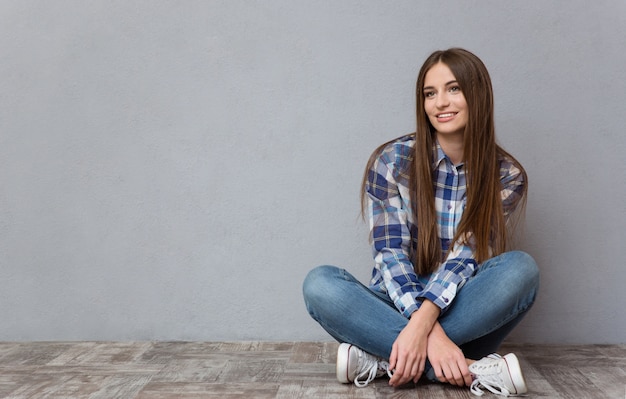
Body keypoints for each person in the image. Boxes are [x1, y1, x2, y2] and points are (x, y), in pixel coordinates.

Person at [302, 48, 540, 397]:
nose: (441, 102)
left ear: (479, 94)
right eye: (430, 93)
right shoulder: (392, 161)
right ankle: (469, 368)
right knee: (320, 285)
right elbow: (389, 253)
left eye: (454, 89)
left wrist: (424, 324)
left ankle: (384, 361)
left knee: (522, 270)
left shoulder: (507, 175)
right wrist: (425, 328)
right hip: (394, 303)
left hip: (463, 306)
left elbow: (468, 254)